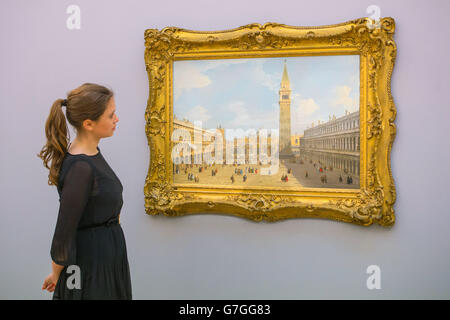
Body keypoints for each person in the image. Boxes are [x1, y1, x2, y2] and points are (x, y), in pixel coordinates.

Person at [38, 83, 132, 300]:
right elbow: (64, 231)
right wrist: (56, 274)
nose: (116, 119)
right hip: (89, 266)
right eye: (111, 115)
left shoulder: (93, 154)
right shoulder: (81, 168)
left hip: (106, 257)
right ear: (89, 123)